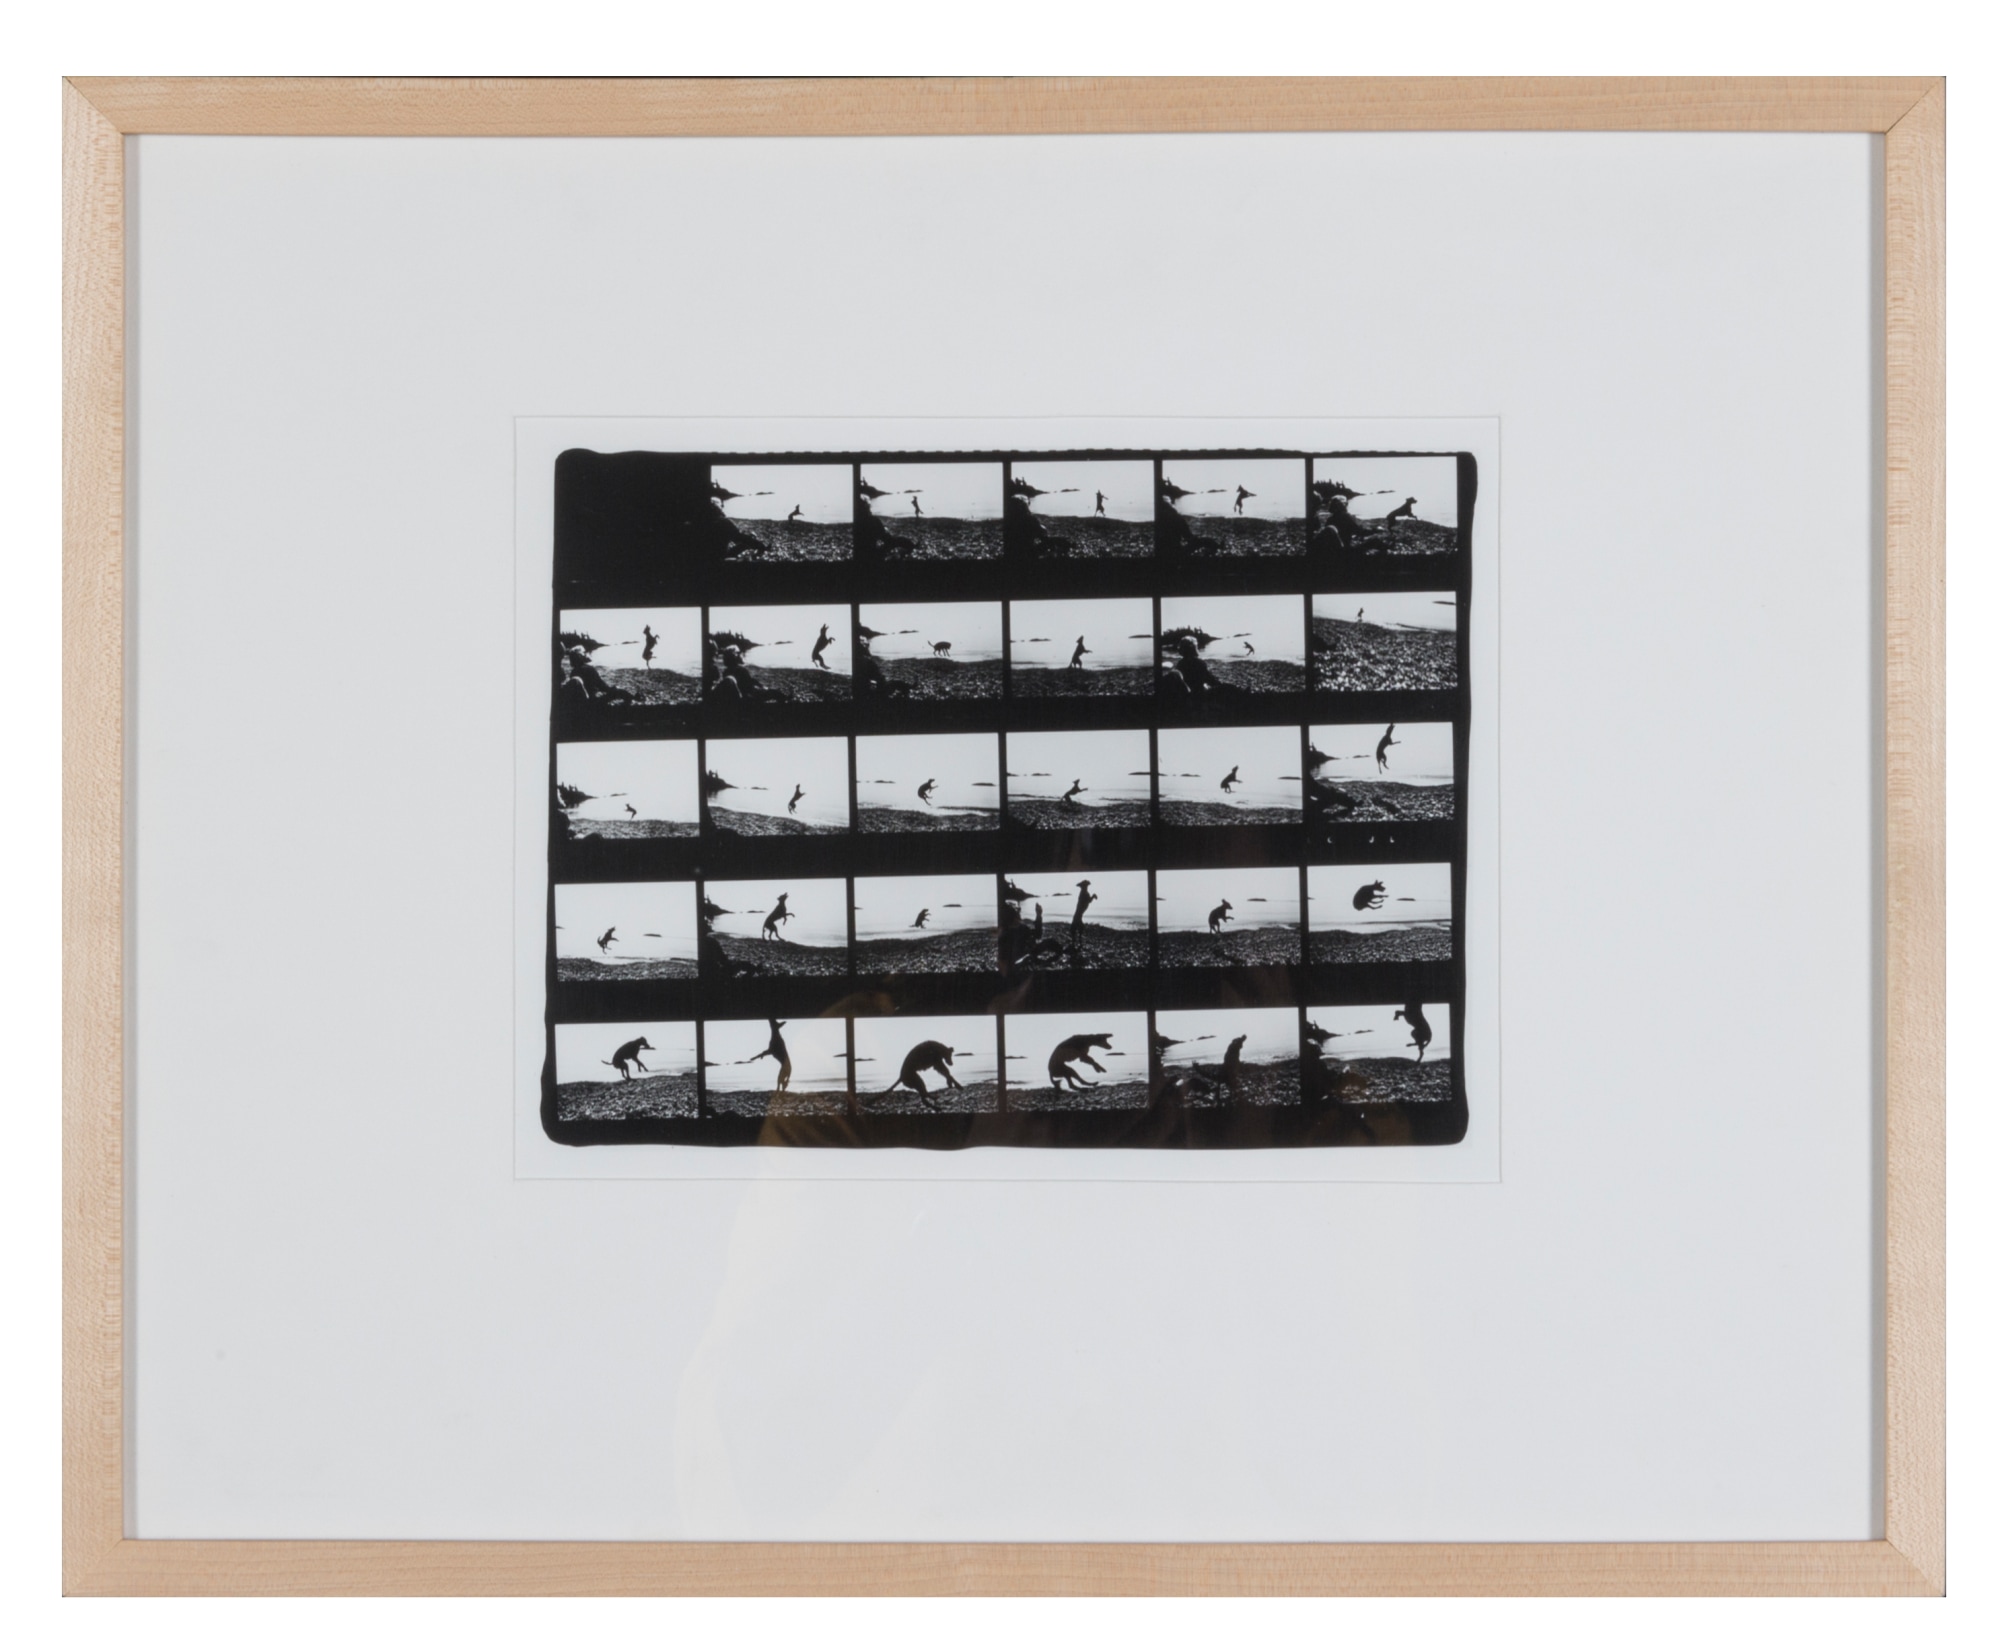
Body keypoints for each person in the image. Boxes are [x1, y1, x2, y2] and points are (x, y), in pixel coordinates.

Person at [1070, 879, 1096, 945]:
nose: (1086, 887)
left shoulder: (1084, 892)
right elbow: (1089, 901)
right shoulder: (1084, 893)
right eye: (1085, 886)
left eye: (1086, 886)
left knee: (1076, 923)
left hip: (1079, 911)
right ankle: (1077, 939)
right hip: (1079, 911)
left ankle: (1076, 939)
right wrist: (1093, 896)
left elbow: (1089, 901)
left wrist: (1093, 896)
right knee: (1077, 924)